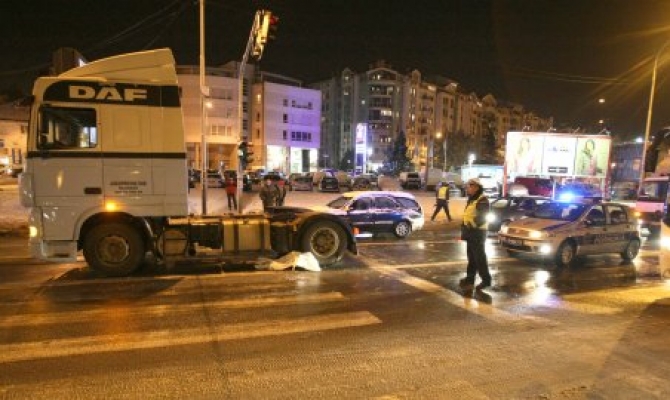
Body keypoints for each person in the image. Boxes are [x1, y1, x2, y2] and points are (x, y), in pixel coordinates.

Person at [459, 178, 492, 291]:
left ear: (476, 187)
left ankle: (486, 280)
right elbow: (468, 215)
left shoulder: (482, 199)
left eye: (470, 186)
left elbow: (483, 216)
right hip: (470, 232)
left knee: (479, 258)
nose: (468, 188)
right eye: (468, 186)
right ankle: (470, 278)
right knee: (471, 257)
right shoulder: (472, 199)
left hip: (477, 232)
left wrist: (472, 225)